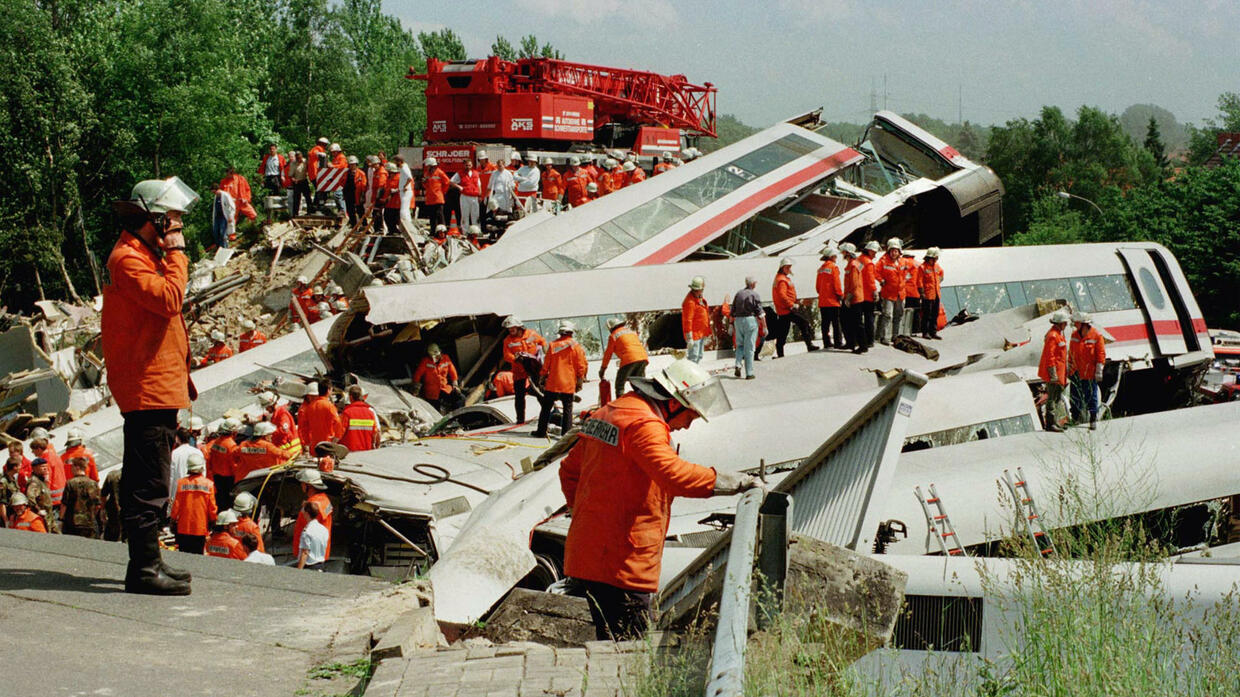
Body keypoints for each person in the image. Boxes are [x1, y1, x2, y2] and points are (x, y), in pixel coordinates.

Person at [559, 359, 757, 640]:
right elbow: (673, 475)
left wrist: (588, 518)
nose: (687, 426)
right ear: (675, 402)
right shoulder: (644, 425)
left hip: (591, 556)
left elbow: (569, 472)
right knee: (630, 653)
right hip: (623, 564)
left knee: (611, 641)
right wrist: (732, 481)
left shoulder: (612, 412)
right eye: (691, 415)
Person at [534, 321, 587, 438]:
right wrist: (580, 380)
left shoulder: (552, 345)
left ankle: (541, 432)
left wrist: (542, 377)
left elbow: (546, 365)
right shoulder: (576, 347)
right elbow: (581, 366)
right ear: (571, 333)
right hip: (568, 384)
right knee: (568, 409)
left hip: (553, 383)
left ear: (560, 333)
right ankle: (566, 435)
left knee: (546, 408)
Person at [501, 316, 547, 424]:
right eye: (509, 329)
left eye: (512, 328)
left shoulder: (531, 334)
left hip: (534, 368)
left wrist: (544, 356)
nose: (511, 331)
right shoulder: (507, 341)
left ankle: (548, 413)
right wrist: (515, 359)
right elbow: (506, 355)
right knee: (519, 396)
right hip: (519, 371)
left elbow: (542, 342)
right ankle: (520, 419)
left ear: (519, 327)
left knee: (539, 391)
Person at [771, 258, 820, 357]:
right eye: (788, 267)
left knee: (783, 332)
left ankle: (780, 354)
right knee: (803, 323)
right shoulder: (782, 280)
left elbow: (786, 295)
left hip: (784, 310)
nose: (790, 269)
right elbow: (782, 295)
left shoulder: (780, 278)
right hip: (787, 310)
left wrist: (797, 302)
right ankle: (809, 345)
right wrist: (792, 304)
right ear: (783, 268)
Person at [169, 452, 215, 554]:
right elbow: (212, 508)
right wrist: (213, 521)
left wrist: (172, 520)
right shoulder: (209, 485)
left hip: (183, 527)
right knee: (197, 556)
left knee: (184, 556)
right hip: (200, 528)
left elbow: (176, 505)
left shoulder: (182, 483)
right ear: (201, 468)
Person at [1069, 312, 1107, 430]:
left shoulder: (1096, 336)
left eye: (1076, 323)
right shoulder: (1075, 335)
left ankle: (1093, 419)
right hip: (1076, 372)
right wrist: (1069, 368)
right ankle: (1075, 419)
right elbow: (1071, 353)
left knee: (1091, 396)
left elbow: (1101, 354)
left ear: (1083, 324)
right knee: (1074, 396)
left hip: (1089, 373)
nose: (1074, 324)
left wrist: (1099, 370)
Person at [1038, 309, 1070, 433]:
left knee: (1056, 398)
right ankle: (1050, 424)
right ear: (1059, 323)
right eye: (1065, 323)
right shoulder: (1053, 336)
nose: (1066, 325)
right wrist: (1053, 375)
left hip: (1060, 373)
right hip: (1055, 373)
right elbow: (1050, 356)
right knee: (1052, 398)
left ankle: (1055, 422)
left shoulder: (1058, 334)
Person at [599, 318, 649, 395]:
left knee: (619, 385)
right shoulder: (631, 332)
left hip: (630, 359)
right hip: (643, 358)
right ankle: (644, 402)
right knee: (639, 384)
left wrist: (603, 369)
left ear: (610, 328)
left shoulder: (613, 336)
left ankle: (620, 405)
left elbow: (608, 354)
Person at [292, 468, 333, 562]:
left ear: (308, 485)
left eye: (302, 483)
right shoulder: (323, 499)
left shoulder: (312, 505)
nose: (301, 486)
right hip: (319, 553)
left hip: (310, 556)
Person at [412, 343, 461, 414]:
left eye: (437, 355)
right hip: (431, 393)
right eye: (433, 356)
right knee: (435, 411)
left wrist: (455, 385)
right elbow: (417, 375)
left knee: (459, 397)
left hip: (444, 388)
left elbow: (453, 373)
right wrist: (415, 389)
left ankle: (458, 415)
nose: (435, 358)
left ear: (440, 352)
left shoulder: (446, 359)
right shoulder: (425, 362)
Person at [60, 458, 102, 538]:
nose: (71, 469)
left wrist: (61, 519)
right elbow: (98, 505)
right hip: (89, 522)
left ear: (77, 467)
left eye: (72, 467)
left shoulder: (70, 483)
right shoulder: (93, 483)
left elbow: (64, 503)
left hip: (72, 522)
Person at [731, 276, 763, 379]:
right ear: (753, 284)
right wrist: (765, 326)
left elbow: (732, 310)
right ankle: (749, 373)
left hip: (738, 321)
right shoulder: (755, 294)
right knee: (749, 348)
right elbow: (760, 312)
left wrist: (731, 325)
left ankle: (738, 364)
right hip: (750, 321)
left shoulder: (738, 294)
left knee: (739, 345)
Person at [875, 238, 905, 345]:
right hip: (888, 293)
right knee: (887, 315)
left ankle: (895, 336)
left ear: (899, 252)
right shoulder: (883, 261)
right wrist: (881, 280)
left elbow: (907, 273)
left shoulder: (902, 262)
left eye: (896, 251)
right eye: (892, 251)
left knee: (898, 315)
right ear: (889, 251)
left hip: (900, 293)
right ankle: (883, 337)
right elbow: (875, 271)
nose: (894, 253)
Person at [298, 381, 343, 451]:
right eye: (312, 396)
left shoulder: (309, 407)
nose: (313, 398)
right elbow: (302, 428)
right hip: (324, 443)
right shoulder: (305, 409)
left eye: (315, 396)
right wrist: (336, 438)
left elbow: (304, 428)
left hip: (314, 444)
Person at [816, 245, 845, 349]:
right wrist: (840, 295)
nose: (836, 258)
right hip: (833, 301)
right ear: (832, 256)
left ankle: (826, 342)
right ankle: (838, 342)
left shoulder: (820, 269)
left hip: (823, 301)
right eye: (835, 256)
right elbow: (836, 284)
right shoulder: (833, 267)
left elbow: (818, 287)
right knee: (836, 323)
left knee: (825, 323)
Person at [207, 418, 240, 511]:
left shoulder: (216, 442)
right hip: (228, 480)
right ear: (234, 432)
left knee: (220, 503)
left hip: (217, 477)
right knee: (228, 504)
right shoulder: (231, 445)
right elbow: (234, 466)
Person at [840, 243, 867, 354]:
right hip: (852, 297)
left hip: (854, 298)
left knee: (856, 322)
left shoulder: (853, 265)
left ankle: (862, 346)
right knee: (847, 321)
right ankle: (851, 343)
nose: (842, 254)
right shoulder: (853, 264)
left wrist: (848, 298)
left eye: (843, 252)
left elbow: (854, 283)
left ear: (847, 253)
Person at [259, 391, 301, 460]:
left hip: (292, 451)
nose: (266, 409)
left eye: (267, 407)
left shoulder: (282, 414)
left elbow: (284, 430)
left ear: (272, 404)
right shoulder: (275, 415)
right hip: (286, 452)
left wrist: (270, 434)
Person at [168, 420, 203, 503]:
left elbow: (171, 476)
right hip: (195, 490)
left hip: (178, 491)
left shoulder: (174, 454)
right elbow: (203, 473)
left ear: (177, 439)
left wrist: (169, 494)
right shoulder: (198, 452)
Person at [338, 385, 381, 452]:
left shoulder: (347, 413)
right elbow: (376, 432)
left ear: (350, 397)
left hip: (350, 452)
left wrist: (333, 445)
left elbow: (339, 433)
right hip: (366, 452)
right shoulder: (370, 413)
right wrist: (376, 446)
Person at [29, 433, 66, 509]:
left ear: (39, 449)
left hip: (54, 499)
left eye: (33, 450)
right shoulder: (54, 455)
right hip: (63, 495)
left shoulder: (45, 461)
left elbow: (47, 480)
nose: (32, 452)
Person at [682, 276, 711, 363]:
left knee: (699, 355)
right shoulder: (690, 302)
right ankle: (689, 375)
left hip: (700, 333)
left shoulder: (698, 298)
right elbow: (688, 320)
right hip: (695, 334)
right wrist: (689, 337)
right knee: (693, 357)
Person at [26, 458, 58, 533]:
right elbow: (30, 497)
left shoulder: (41, 480)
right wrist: (38, 510)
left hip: (49, 516)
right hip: (42, 517)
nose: (45, 468)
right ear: (34, 468)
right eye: (42, 466)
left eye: (46, 466)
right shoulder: (34, 482)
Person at [918, 248, 944, 340]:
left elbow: (941, 274)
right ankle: (925, 332)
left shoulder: (936, 266)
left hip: (936, 293)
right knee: (926, 314)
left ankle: (933, 332)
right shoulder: (922, 267)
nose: (936, 260)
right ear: (930, 257)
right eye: (935, 258)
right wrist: (922, 292)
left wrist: (938, 281)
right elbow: (919, 281)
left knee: (935, 313)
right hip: (927, 294)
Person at [296, 500, 329, 571]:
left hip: (310, 568)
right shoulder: (324, 530)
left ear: (307, 514)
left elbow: (305, 552)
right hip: (321, 566)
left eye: (303, 511)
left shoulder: (307, 532)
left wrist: (298, 571)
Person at [859, 240, 881, 348]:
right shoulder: (868, 263)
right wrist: (875, 291)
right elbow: (870, 279)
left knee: (859, 319)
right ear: (870, 251)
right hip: (867, 295)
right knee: (869, 318)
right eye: (874, 252)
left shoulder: (859, 260)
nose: (875, 254)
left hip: (859, 294)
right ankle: (869, 340)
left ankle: (860, 340)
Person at [450, 159, 482, 229]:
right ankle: (465, 231)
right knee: (465, 215)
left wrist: (480, 195)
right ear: (464, 165)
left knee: (476, 215)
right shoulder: (460, 173)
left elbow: (479, 184)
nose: (468, 167)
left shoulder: (476, 173)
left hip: (475, 196)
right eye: (466, 165)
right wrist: (459, 187)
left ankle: (476, 230)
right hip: (465, 196)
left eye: (469, 165)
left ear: (472, 165)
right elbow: (451, 182)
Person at [421, 156, 451, 230]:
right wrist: (424, 183)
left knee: (439, 215)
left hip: (438, 198)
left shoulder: (440, 172)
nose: (427, 167)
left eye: (428, 166)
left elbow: (447, 182)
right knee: (432, 217)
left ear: (432, 166)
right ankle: (433, 231)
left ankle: (442, 231)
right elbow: (425, 186)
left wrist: (442, 192)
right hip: (430, 199)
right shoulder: (426, 174)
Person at [365, 155, 388, 232]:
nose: (374, 166)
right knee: (375, 213)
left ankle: (380, 229)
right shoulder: (376, 172)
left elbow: (381, 186)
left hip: (380, 196)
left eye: (375, 165)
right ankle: (377, 228)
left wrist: (378, 198)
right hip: (375, 195)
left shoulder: (382, 172)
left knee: (378, 212)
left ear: (378, 163)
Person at [900, 250, 921, 337]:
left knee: (904, 313)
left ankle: (904, 331)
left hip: (905, 292)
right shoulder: (918, 264)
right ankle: (915, 330)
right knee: (916, 313)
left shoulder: (903, 262)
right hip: (916, 292)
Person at [209, 183, 236, 249]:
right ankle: (219, 248)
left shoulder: (225, 195)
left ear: (216, 190)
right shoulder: (216, 197)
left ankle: (225, 247)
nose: (214, 193)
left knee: (222, 232)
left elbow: (232, 206)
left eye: (214, 191)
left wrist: (230, 216)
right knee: (216, 233)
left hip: (224, 217)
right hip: (217, 217)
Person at [101, 468, 123, 541]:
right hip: (129, 512)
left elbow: (103, 495)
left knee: (110, 538)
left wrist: (102, 510)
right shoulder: (136, 475)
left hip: (113, 511)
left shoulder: (112, 475)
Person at [395, 155, 416, 234]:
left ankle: (406, 226)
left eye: (396, 161)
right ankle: (408, 225)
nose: (395, 163)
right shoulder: (404, 167)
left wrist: (405, 186)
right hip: (404, 191)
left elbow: (410, 178)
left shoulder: (404, 168)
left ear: (400, 161)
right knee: (405, 210)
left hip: (405, 191)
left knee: (403, 211)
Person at [344, 155, 366, 226]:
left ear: (356, 164)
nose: (352, 166)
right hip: (348, 194)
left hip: (358, 194)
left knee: (360, 210)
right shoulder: (346, 173)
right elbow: (341, 182)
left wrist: (362, 195)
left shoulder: (361, 173)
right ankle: (353, 225)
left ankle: (364, 224)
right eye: (350, 165)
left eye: (353, 164)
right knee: (350, 210)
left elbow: (364, 185)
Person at [307, 137, 329, 210]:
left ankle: (315, 206)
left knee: (319, 189)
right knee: (321, 189)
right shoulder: (318, 148)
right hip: (315, 174)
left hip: (315, 174)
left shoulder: (319, 149)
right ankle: (316, 206)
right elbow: (313, 153)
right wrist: (319, 153)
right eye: (325, 145)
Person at [287, 151, 309, 216]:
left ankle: (310, 211)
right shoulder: (293, 164)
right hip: (297, 182)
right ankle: (295, 214)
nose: (299, 159)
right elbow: (290, 175)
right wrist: (294, 180)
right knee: (296, 199)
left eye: (300, 157)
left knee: (308, 197)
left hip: (304, 181)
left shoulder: (305, 162)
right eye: (297, 158)